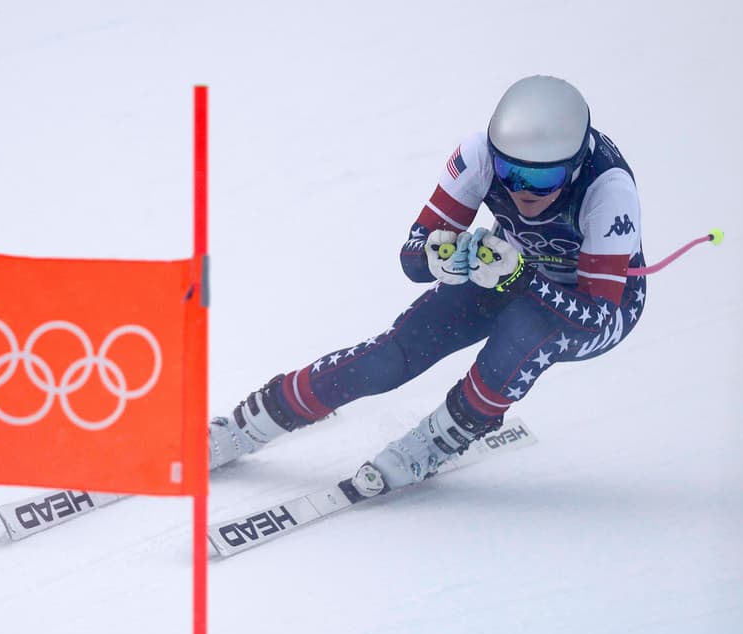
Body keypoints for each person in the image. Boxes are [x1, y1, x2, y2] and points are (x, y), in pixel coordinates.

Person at [208, 75, 647, 500]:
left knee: (526, 329)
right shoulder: (476, 154)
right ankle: (247, 424)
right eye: (508, 172)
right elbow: (412, 257)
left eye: (541, 180)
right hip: (507, 267)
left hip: (598, 307)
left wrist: (524, 278)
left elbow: (598, 314)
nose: (521, 192)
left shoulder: (608, 191)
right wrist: (437, 255)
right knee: (390, 357)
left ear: (573, 169)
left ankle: (443, 436)